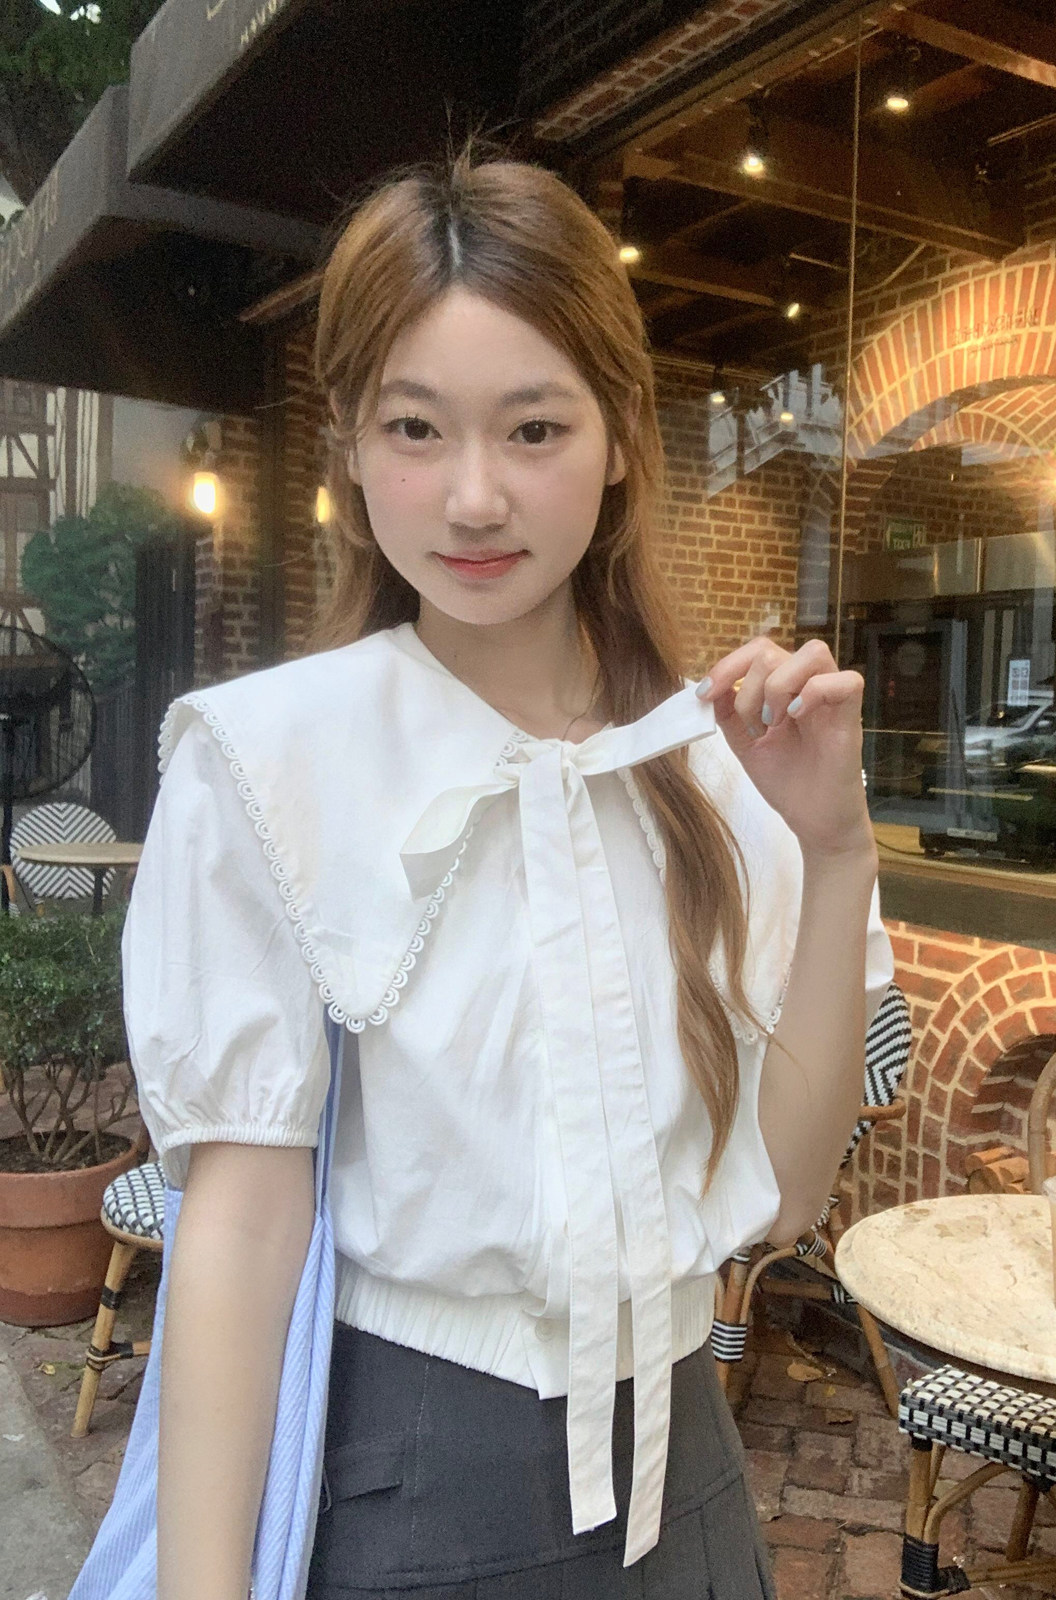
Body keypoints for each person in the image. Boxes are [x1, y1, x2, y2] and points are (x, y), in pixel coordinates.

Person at [123, 140, 894, 1600]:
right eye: (416, 429)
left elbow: (788, 1196)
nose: (473, 498)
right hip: (412, 1487)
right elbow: (241, 1224)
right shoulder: (268, 761)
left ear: (622, 438)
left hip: (691, 1488)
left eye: (534, 428)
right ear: (350, 445)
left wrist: (834, 849)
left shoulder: (716, 760)